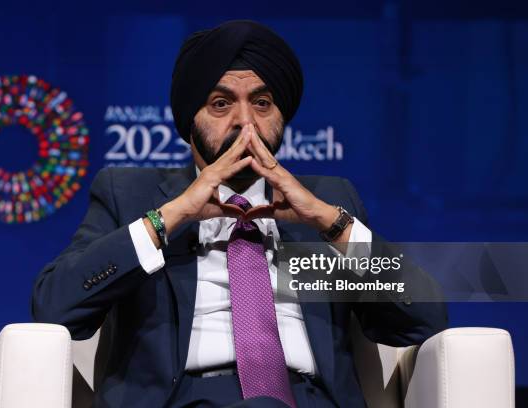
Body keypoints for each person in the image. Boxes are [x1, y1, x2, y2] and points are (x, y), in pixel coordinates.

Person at [31, 20, 447, 408]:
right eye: (220, 103)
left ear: (282, 118)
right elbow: (55, 308)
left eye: (262, 103)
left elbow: (425, 319)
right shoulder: (129, 194)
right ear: (189, 121)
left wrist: (329, 222)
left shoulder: (328, 201)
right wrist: (170, 218)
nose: (244, 121)